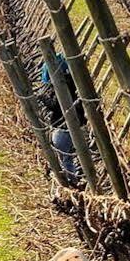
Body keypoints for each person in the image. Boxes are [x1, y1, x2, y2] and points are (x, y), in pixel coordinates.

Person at [37, 52, 82, 186]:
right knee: (66, 156)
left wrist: (43, 98)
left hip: (64, 127)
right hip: (72, 126)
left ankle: (71, 182)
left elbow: (56, 106)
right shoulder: (71, 83)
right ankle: (72, 179)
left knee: (64, 157)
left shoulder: (62, 86)